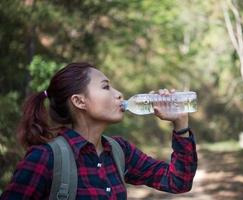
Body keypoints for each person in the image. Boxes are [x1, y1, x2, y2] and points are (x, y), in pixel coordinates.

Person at [0, 63, 198, 199]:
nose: (119, 94)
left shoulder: (120, 151)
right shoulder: (44, 158)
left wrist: (180, 124)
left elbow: (178, 182)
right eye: (106, 87)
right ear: (79, 101)